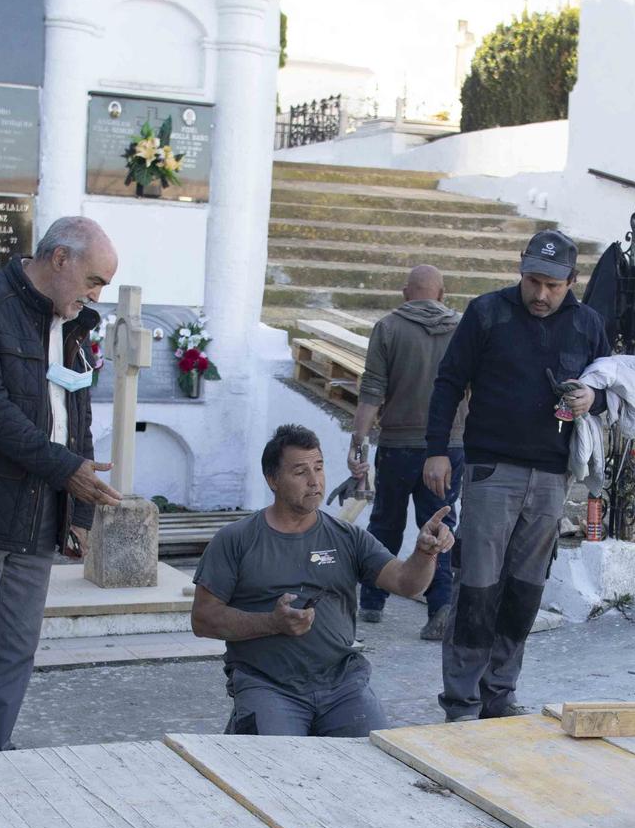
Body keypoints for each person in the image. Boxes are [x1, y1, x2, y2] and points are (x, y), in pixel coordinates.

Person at [0, 217, 123, 765]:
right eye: (94, 279)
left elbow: (76, 416)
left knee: (16, 648)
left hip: (43, 506)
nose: (96, 294)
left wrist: (77, 507)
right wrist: (67, 472)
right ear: (60, 259)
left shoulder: (77, 322)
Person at [423, 229, 611, 721]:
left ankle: (499, 694)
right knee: (478, 587)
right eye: (533, 281)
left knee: (525, 588)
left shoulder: (588, 324)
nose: (541, 294)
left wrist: (595, 399)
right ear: (520, 272)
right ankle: (461, 702)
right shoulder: (487, 312)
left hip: (552, 478)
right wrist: (437, 450)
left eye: (553, 284)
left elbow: (613, 387)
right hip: (491, 471)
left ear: (572, 280)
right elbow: (448, 382)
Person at [193, 425, 455, 736]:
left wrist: (425, 553)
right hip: (267, 683)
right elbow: (203, 620)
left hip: (342, 684)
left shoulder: (348, 537)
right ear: (272, 479)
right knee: (271, 767)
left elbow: (407, 583)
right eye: (300, 472)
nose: (315, 481)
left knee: (372, 761)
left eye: (318, 468)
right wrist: (272, 623)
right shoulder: (235, 540)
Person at [349, 264, 465, 640]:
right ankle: (440, 608)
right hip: (449, 448)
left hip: (398, 445)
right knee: (440, 526)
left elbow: (372, 389)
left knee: (385, 522)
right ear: (443, 295)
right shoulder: (463, 328)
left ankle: (371, 602)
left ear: (405, 293)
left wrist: (358, 440)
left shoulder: (388, 328)